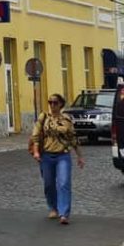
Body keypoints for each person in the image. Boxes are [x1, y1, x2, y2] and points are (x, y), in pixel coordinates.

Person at [30, 93, 84, 225]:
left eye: (55, 103)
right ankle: (53, 207)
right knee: (49, 185)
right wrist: (36, 152)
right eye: (50, 102)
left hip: (63, 155)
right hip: (46, 155)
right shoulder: (44, 117)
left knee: (64, 183)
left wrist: (79, 155)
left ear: (61, 104)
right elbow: (36, 136)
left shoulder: (66, 119)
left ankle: (64, 213)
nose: (52, 105)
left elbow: (73, 137)